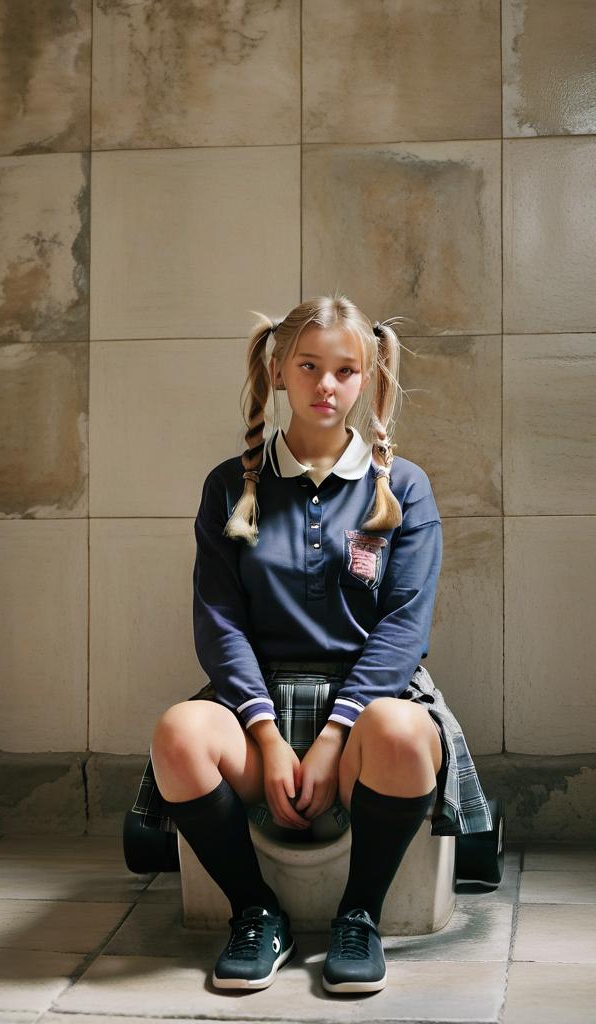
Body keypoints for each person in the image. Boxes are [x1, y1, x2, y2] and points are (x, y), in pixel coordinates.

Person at [129, 295, 492, 994]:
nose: (327, 385)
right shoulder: (229, 488)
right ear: (278, 371)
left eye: (345, 370)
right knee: (177, 732)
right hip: (254, 699)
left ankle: (361, 915)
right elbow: (218, 623)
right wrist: (264, 735)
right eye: (309, 366)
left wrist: (333, 736)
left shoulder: (404, 488)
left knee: (405, 732)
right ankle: (255, 914)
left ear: (367, 378)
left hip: (370, 705)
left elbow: (403, 629)